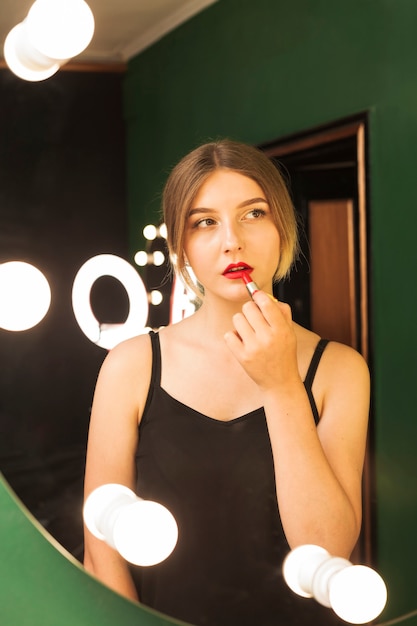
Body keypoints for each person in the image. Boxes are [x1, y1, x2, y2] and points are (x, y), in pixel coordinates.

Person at [83, 139, 370, 626]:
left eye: (253, 213)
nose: (231, 240)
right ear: (181, 245)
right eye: (205, 222)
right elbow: (100, 551)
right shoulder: (132, 365)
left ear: (283, 225)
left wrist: (281, 385)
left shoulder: (339, 370)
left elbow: (326, 548)